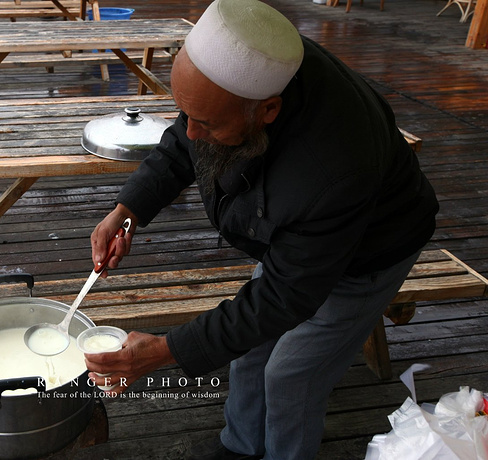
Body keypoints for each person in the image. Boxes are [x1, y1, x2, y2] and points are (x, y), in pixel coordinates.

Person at [85, 0, 439, 458]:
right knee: (251, 350)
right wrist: (127, 210)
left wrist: (164, 350)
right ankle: (240, 446)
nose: (191, 132)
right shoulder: (246, 68)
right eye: (184, 112)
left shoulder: (332, 169)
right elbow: (185, 138)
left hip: (371, 250)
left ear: (267, 110)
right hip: (299, 240)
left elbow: (284, 298)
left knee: (292, 374)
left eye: (206, 123)